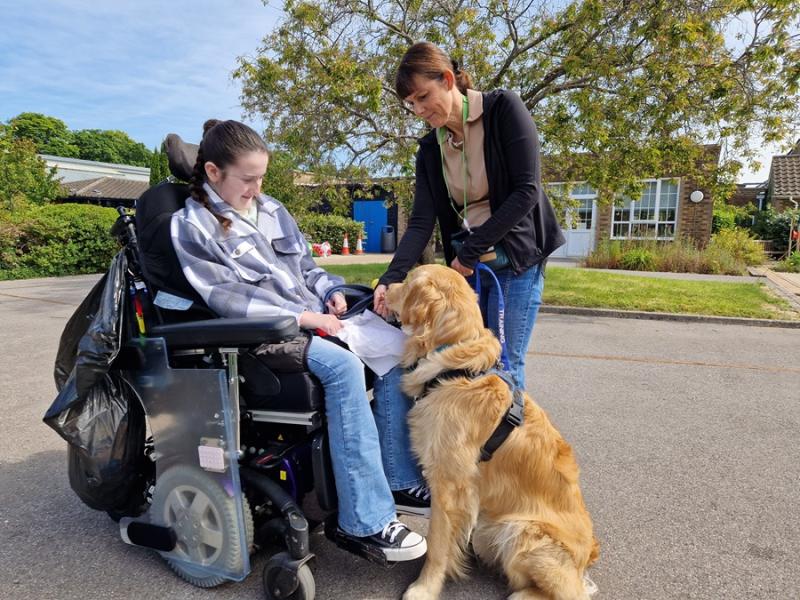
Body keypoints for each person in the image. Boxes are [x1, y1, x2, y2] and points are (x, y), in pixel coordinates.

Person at [170, 119, 429, 562]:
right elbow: (226, 297)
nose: (256, 189)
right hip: (257, 337)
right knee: (344, 366)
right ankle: (364, 522)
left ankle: (397, 478)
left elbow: (307, 268)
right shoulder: (192, 225)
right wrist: (302, 315)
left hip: (310, 321)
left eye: (262, 178)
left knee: (397, 346)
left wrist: (329, 292)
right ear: (213, 172)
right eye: (247, 179)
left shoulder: (272, 211)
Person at [373, 42, 565, 389]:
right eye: (410, 103)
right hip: (469, 264)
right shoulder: (430, 149)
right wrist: (391, 277)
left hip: (515, 258)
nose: (417, 110)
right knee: (469, 361)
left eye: (422, 96)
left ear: (447, 79)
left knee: (504, 362)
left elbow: (527, 190)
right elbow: (421, 222)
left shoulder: (503, 109)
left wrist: (470, 251)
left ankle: (505, 441)